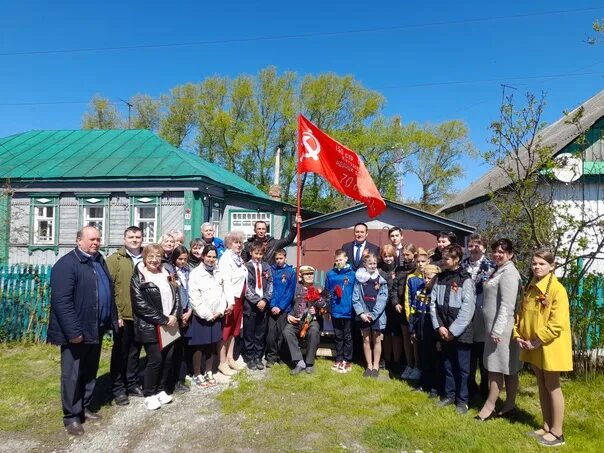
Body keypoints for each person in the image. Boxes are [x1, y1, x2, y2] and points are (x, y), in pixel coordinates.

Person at [48, 226, 118, 436]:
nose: (96, 242)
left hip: (95, 328)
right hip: (77, 332)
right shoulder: (67, 264)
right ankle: (71, 416)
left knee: (89, 370)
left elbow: (106, 292)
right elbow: (62, 302)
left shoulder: (98, 261)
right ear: (79, 240)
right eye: (91, 239)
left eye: (98, 239)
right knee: (72, 374)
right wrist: (73, 332)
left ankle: (84, 407)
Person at [514, 249, 572, 447]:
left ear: (552, 266)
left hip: (549, 346)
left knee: (552, 385)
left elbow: (557, 324)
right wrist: (518, 335)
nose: (537, 267)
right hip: (532, 345)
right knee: (541, 383)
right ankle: (547, 425)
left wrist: (537, 341)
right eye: (534, 263)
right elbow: (521, 315)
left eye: (542, 264)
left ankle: (558, 433)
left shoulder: (557, 290)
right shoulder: (531, 287)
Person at [131, 243, 182, 411]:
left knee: (168, 358)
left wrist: (174, 314)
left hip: (170, 323)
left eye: (158, 256)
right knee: (155, 360)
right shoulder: (139, 277)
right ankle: (149, 393)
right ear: (144, 258)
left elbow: (176, 295)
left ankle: (161, 389)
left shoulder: (167, 272)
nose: (154, 260)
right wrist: (162, 319)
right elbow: (140, 305)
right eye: (150, 257)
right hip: (150, 325)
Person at [475, 239, 522, 421]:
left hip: (502, 330)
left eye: (502, 251)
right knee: (506, 367)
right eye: (495, 251)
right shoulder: (498, 270)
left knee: (499, 368)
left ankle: (490, 405)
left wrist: (497, 330)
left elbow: (507, 306)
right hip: (493, 328)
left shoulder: (509, 273)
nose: (497, 254)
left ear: (510, 254)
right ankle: (509, 405)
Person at [430, 244, 476, 414]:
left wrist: (453, 330)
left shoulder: (465, 280)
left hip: (461, 332)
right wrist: (439, 326)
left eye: (447, 258)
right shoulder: (440, 278)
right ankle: (449, 394)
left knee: (462, 368)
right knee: (447, 364)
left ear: (456, 260)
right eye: (443, 257)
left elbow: (467, 309)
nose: (444, 260)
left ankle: (462, 400)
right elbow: (433, 303)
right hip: (443, 330)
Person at [107, 226, 145, 407]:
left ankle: (132, 383)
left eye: (138, 237)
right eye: (131, 237)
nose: (135, 240)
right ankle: (118, 388)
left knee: (135, 352)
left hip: (141, 315)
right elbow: (110, 288)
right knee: (120, 354)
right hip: (124, 315)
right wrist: (117, 314)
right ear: (124, 239)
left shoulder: (147, 257)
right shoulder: (115, 260)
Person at [187, 244, 227, 388]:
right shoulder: (195, 274)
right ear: (203, 256)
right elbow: (194, 297)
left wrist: (220, 311)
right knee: (199, 346)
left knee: (211, 344)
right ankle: (197, 373)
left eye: (214, 257)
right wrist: (207, 314)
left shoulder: (217, 272)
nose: (211, 259)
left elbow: (222, 293)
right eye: (208, 256)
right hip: (202, 316)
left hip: (216, 314)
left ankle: (209, 371)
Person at [461, 233, 496, 399]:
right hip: (466, 313)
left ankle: (485, 387)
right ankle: (469, 386)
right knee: (469, 352)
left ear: (484, 247)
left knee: (483, 352)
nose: (474, 249)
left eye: (477, 245)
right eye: (471, 246)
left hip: (483, 313)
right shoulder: (463, 264)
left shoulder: (491, 266)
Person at [283, 265, 328, 375]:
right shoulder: (295, 288)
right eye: (306, 274)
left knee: (314, 331)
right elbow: (288, 303)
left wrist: (317, 309)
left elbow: (325, 306)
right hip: (297, 319)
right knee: (287, 331)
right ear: (301, 277)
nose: (309, 276)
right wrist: (288, 315)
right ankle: (299, 361)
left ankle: (309, 363)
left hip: (312, 320)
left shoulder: (318, 288)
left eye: (311, 274)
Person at [353, 253, 389, 378]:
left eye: (374, 263)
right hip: (364, 314)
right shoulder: (359, 279)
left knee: (377, 339)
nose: (372, 266)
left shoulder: (381, 280)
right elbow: (356, 298)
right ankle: (369, 365)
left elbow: (383, 299)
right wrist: (361, 313)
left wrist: (373, 315)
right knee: (366, 339)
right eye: (370, 263)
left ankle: (376, 366)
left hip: (377, 315)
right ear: (365, 264)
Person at [217, 230, 248, 376]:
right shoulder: (226, 258)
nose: (239, 245)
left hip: (239, 298)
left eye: (240, 242)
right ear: (229, 243)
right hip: (231, 299)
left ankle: (230, 358)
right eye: (236, 242)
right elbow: (227, 282)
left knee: (234, 330)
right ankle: (222, 362)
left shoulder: (238, 258)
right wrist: (229, 302)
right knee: (226, 330)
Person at [409, 263, 441, 397]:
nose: (426, 280)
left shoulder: (438, 293)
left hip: (433, 333)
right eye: (425, 277)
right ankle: (423, 383)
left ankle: (435, 387)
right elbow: (414, 311)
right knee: (424, 359)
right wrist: (413, 329)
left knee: (435, 361)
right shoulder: (420, 291)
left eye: (429, 278)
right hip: (421, 330)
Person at [164, 246, 193, 394]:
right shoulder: (169, 271)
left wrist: (189, 311)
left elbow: (191, 291)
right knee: (171, 350)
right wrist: (179, 314)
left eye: (185, 259)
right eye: (180, 259)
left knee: (182, 350)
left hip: (187, 313)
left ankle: (180, 379)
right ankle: (169, 381)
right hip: (175, 315)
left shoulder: (188, 271)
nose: (182, 262)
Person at [243, 242, 273, 370]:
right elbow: (246, 286)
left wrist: (265, 300)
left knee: (260, 333)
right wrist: (257, 301)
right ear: (251, 253)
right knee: (250, 332)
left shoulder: (266, 266)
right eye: (256, 253)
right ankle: (250, 357)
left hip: (263, 304)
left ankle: (258, 357)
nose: (258, 256)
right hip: (251, 305)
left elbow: (270, 283)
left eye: (261, 254)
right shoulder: (246, 267)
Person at [325, 249, 356, 373]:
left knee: (347, 336)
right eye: (336, 260)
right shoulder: (330, 274)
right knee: (338, 336)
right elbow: (327, 292)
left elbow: (356, 292)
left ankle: (347, 361)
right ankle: (339, 358)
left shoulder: (352, 274)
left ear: (346, 259)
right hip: (335, 309)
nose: (338, 262)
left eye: (341, 260)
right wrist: (327, 308)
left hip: (348, 309)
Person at [402, 246, 429, 381]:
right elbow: (408, 298)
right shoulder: (411, 277)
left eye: (423, 262)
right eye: (418, 262)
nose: (420, 264)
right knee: (415, 342)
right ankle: (415, 366)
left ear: (427, 262)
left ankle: (425, 368)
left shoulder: (432, 276)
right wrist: (409, 316)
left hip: (428, 316)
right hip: (414, 315)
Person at [266, 248, 296, 367]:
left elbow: (290, 291)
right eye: (277, 258)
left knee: (282, 333)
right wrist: (273, 305)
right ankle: (271, 356)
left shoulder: (290, 272)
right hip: (272, 308)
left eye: (281, 258)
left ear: (285, 258)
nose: (279, 261)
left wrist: (281, 307)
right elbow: (270, 288)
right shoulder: (271, 270)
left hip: (284, 309)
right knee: (271, 334)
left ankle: (282, 356)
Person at [391, 243, 418, 379]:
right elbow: (395, 288)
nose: (406, 257)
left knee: (415, 339)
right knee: (405, 338)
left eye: (408, 254)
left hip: (413, 308)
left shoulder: (417, 268)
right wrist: (395, 302)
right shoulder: (400, 269)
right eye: (404, 255)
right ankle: (409, 364)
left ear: (414, 255)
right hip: (401, 308)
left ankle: (417, 366)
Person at [378, 244, 401, 373]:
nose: (388, 259)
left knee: (396, 334)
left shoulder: (398, 269)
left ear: (394, 256)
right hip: (382, 305)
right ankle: (386, 359)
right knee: (385, 334)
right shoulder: (379, 270)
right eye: (385, 256)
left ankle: (396, 361)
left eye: (390, 256)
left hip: (394, 305)